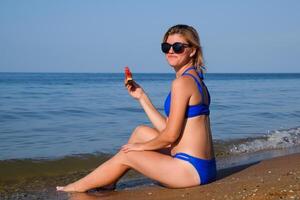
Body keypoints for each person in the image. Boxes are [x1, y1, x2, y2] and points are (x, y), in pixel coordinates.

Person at [56, 24, 216, 192]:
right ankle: (109, 181)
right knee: (140, 132)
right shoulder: (195, 79)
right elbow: (169, 129)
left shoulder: (181, 83)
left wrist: (139, 148)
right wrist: (142, 97)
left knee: (128, 153)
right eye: (166, 47)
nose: (170, 51)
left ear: (192, 50)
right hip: (204, 166)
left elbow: (170, 136)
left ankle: (75, 188)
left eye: (177, 47)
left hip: (190, 171)